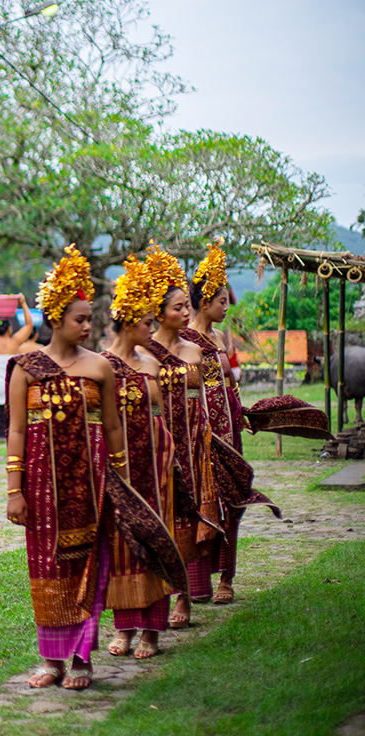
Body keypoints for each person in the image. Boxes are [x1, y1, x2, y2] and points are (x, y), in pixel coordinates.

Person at [6, 246, 126, 690]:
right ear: (55, 318)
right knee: (46, 566)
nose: (88, 325)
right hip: (41, 484)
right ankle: (52, 659)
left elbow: (112, 426)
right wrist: (13, 490)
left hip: (93, 484)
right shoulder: (27, 367)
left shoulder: (101, 367)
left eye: (91, 317)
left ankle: (81, 660)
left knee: (87, 565)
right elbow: (16, 431)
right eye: (80, 318)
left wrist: (122, 481)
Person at [102, 254, 175, 660]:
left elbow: (160, 418)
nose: (153, 328)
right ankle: (124, 628)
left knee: (150, 541)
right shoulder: (101, 364)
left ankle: (151, 631)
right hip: (117, 467)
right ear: (129, 321)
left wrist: (167, 460)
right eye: (148, 321)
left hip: (151, 465)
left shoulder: (152, 364)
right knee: (120, 545)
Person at [141, 243, 217, 629]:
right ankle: (154, 597)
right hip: (157, 443)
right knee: (161, 519)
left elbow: (203, 399)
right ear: (159, 313)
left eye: (188, 306)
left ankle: (184, 598)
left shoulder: (195, 352)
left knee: (186, 518)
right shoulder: (145, 352)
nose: (186, 313)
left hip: (190, 443)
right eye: (178, 307)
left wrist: (205, 441)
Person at [184, 240, 243, 605]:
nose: (226, 306)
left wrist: (242, 411)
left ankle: (227, 577)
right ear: (204, 302)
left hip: (229, 427)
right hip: (200, 431)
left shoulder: (221, 336)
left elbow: (232, 378)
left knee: (231, 498)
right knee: (201, 500)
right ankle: (197, 580)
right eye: (221, 301)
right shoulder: (184, 338)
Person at [0, 294, 36, 462]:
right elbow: (30, 325)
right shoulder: (14, 342)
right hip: (8, 386)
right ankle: (13, 452)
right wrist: (23, 303)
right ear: (9, 329)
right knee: (12, 418)